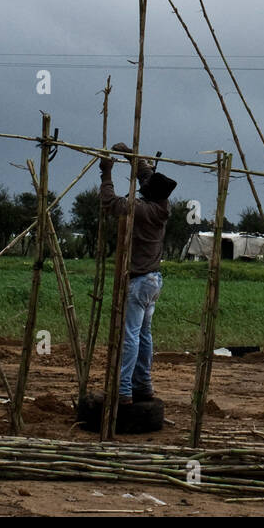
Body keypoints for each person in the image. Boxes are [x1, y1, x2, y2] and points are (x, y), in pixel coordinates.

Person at [100, 143, 176, 405]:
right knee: (144, 334)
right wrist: (132, 154)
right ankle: (143, 384)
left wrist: (106, 173)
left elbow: (110, 202)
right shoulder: (162, 205)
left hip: (139, 280)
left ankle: (123, 389)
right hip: (153, 280)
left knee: (130, 334)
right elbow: (146, 176)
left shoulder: (141, 209)